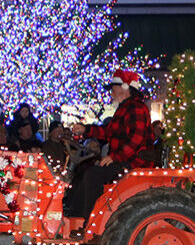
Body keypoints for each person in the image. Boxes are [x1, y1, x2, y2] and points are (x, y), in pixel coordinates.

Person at [65, 70, 159, 225]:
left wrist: (114, 157)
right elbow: (109, 132)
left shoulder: (136, 107)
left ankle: (89, 223)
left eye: (113, 87)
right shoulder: (124, 108)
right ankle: (74, 218)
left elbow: (137, 139)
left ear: (124, 87)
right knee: (86, 173)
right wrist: (86, 130)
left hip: (134, 163)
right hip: (124, 160)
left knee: (94, 174)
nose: (111, 92)